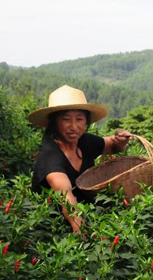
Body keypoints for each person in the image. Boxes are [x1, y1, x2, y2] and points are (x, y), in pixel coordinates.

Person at [29, 85, 132, 233]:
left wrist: (121, 138)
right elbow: (67, 200)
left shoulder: (85, 142)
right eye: (66, 120)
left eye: (79, 119)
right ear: (54, 123)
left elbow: (113, 145)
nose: (74, 126)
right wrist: (83, 239)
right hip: (53, 230)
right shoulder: (50, 157)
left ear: (86, 121)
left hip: (90, 215)